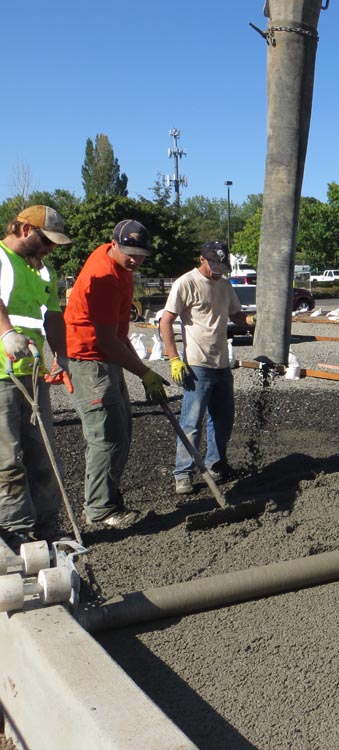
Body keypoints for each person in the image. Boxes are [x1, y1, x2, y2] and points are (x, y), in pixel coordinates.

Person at [64, 219, 170, 529]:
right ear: (114, 244)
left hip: (107, 358)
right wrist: (144, 372)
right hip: (90, 361)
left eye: (141, 254)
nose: (135, 260)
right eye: (130, 253)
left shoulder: (121, 268)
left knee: (122, 432)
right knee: (106, 438)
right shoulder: (104, 276)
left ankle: (107, 498)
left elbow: (118, 336)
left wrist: (141, 369)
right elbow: (107, 341)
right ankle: (100, 509)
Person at [0, 206, 74, 547]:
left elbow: (53, 316)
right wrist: (6, 333)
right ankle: (15, 533)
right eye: (46, 241)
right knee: (8, 460)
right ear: (26, 229)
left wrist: (62, 355)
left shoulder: (44, 272)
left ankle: (47, 526)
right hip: (2, 376)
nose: (50, 249)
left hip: (32, 373)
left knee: (43, 453)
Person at [159, 241, 255, 494]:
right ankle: (183, 473)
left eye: (221, 266)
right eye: (213, 265)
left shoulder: (224, 285)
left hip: (222, 363)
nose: (217, 270)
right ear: (201, 259)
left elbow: (236, 316)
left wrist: (254, 320)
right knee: (191, 422)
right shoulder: (186, 283)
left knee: (223, 420)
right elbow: (166, 321)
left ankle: (216, 464)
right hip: (196, 364)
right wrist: (174, 358)